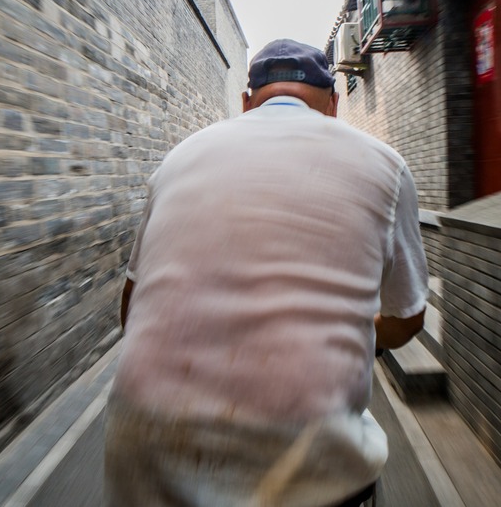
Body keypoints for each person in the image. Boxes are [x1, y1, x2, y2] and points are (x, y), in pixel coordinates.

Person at [104, 39, 429, 507]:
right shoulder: (385, 166)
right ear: (334, 104)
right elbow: (408, 317)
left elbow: (132, 309)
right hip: (301, 463)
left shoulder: (178, 158)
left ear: (245, 103)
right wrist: (363, 332)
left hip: (144, 450)